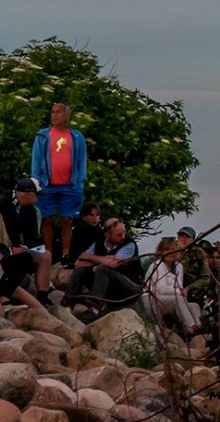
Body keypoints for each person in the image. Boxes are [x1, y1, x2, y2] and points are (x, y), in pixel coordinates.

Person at [29, 104, 86, 267]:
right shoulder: (43, 136)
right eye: (53, 112)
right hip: (47, 184)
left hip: (70, 185)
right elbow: (36, 159)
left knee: (67, 219)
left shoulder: (76, 136)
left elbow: (81, 160)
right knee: (46, 219)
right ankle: (48, 252)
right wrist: (37, 182)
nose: (55, 116)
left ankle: (65, 254)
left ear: (67, 116)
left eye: (59, 113)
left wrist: (80, 181)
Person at [64, 217, 140, 315]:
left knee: (103, 269)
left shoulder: (129, 244)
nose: (123, 236)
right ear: (107, 234)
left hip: (128, 285)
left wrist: (92, 258)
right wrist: (104, 259)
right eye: (118, 234)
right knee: (81, 271)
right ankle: (67, 304)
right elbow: (79, 262)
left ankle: (94, 306)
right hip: (109, 286)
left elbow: (114, 264)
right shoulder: (99, 242)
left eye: (124, 232)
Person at [141, 237, 199, 336]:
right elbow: (160, 289)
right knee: (178, 300)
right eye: (167, 250)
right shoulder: (157, 265)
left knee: (194, 306)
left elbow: (178, 286)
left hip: (169, 300)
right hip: (151, 299)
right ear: (161, 251)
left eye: (173, 250)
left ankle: (198, 328)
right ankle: (189, 326)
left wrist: (182, 292)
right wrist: (180, 292)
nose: (170, 252)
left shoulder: (178, 267)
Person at [0, 180, 42, 306]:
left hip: (8, 250)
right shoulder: (4, 204)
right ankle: (4, 296)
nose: (38, 198)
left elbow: (33, 237)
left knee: (27, 258)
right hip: (6, 252)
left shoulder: (31, 211)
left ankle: (44, 298)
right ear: (28, 193)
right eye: (37, 194)